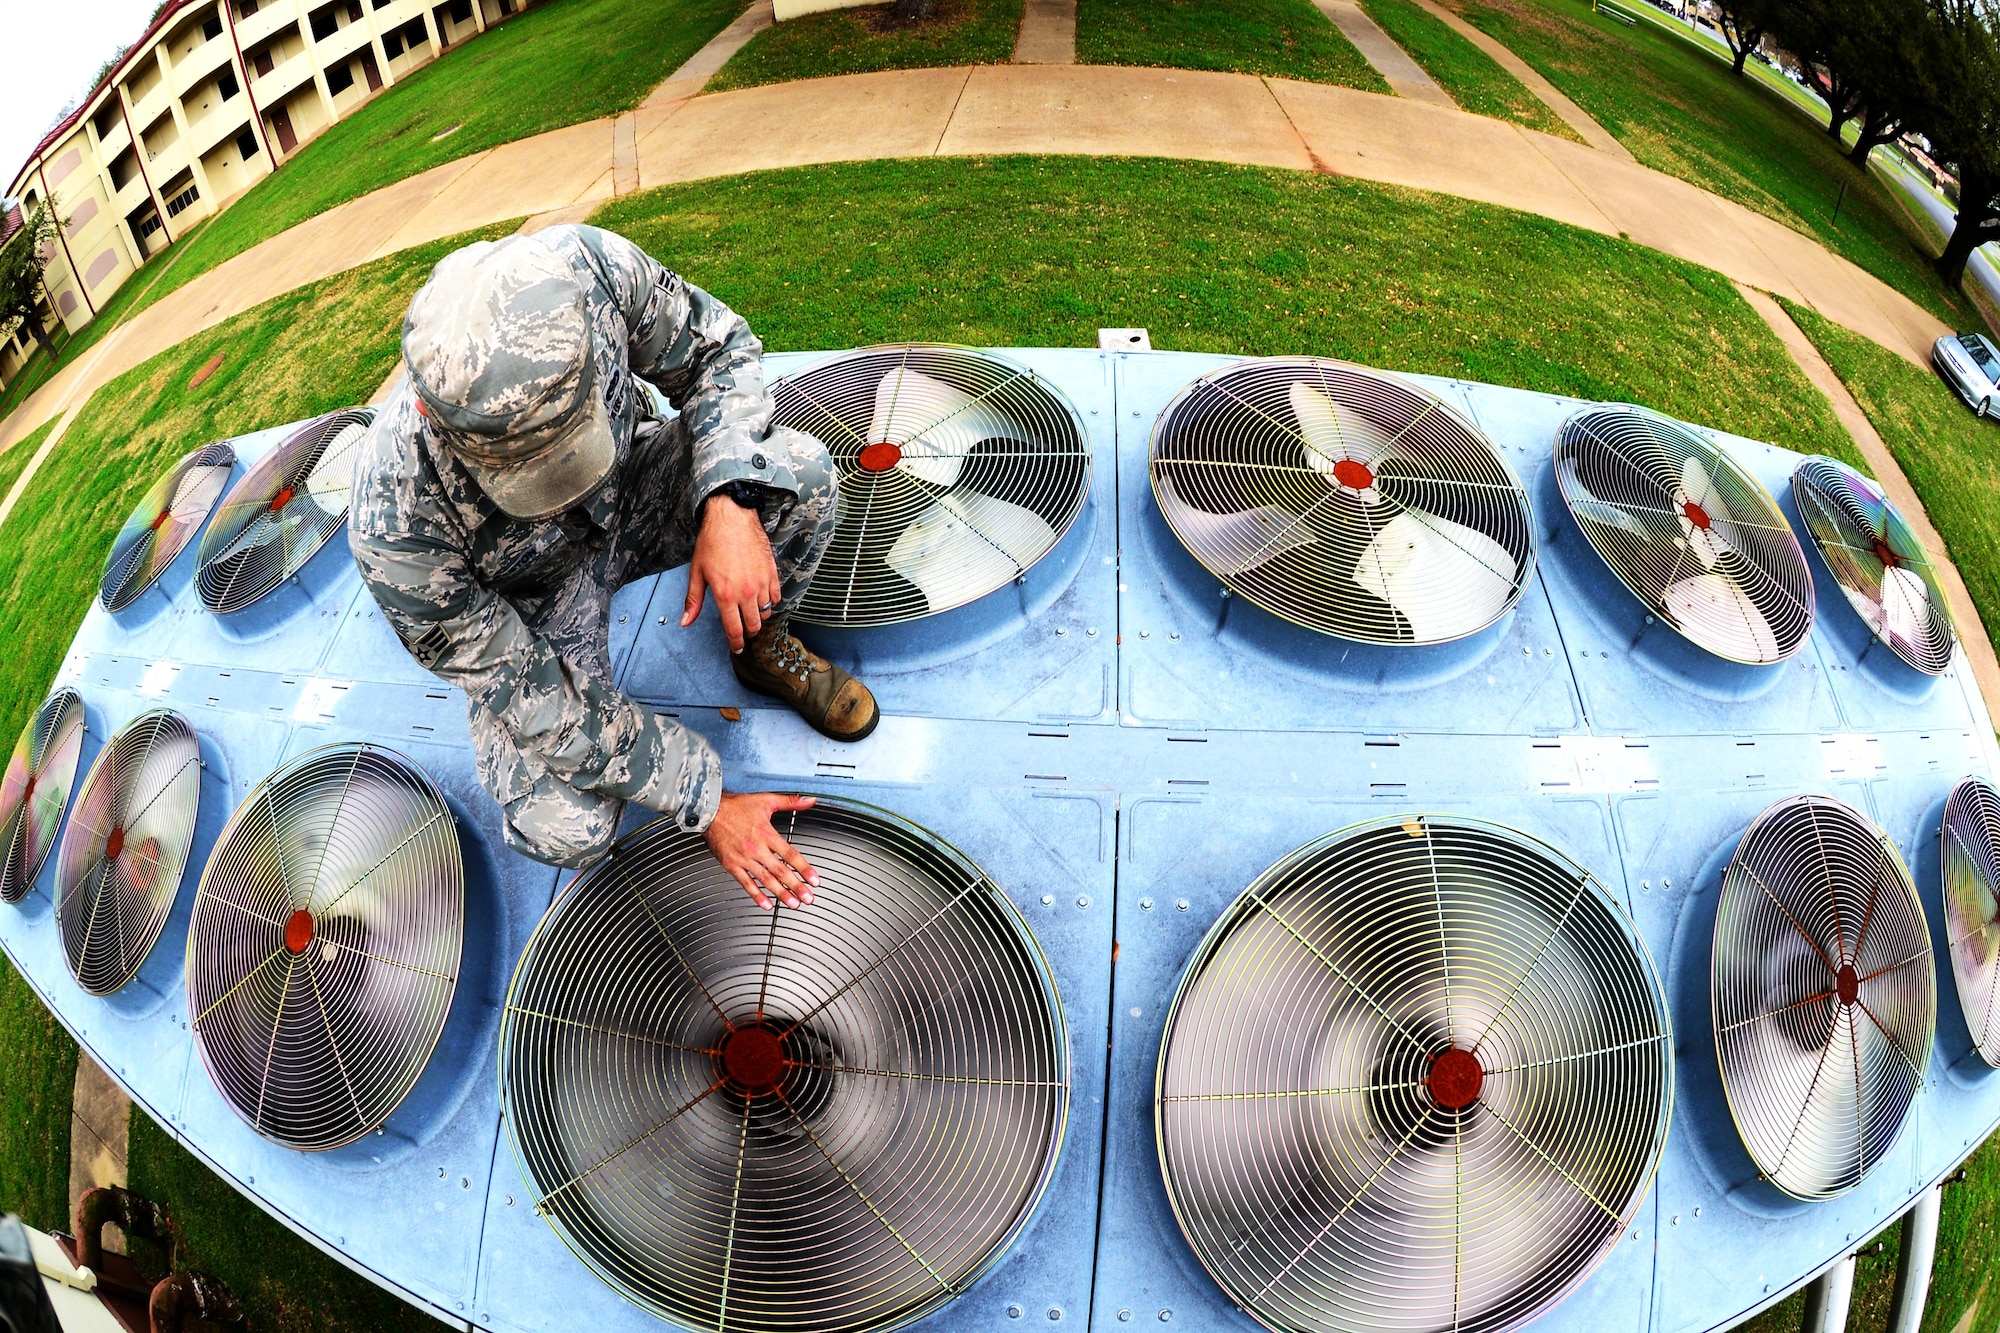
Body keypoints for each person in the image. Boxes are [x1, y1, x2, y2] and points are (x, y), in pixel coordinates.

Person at [349, 225, 877, 910]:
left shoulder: (588, 268)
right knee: (566, 826)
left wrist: (727, 497)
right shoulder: (394, 523)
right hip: (533, 607)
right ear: (431, 416)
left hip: (632, 487)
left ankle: (761, 641)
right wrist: (704, 797)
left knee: (799, 478)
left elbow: (721, 351)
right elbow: (531, 693)